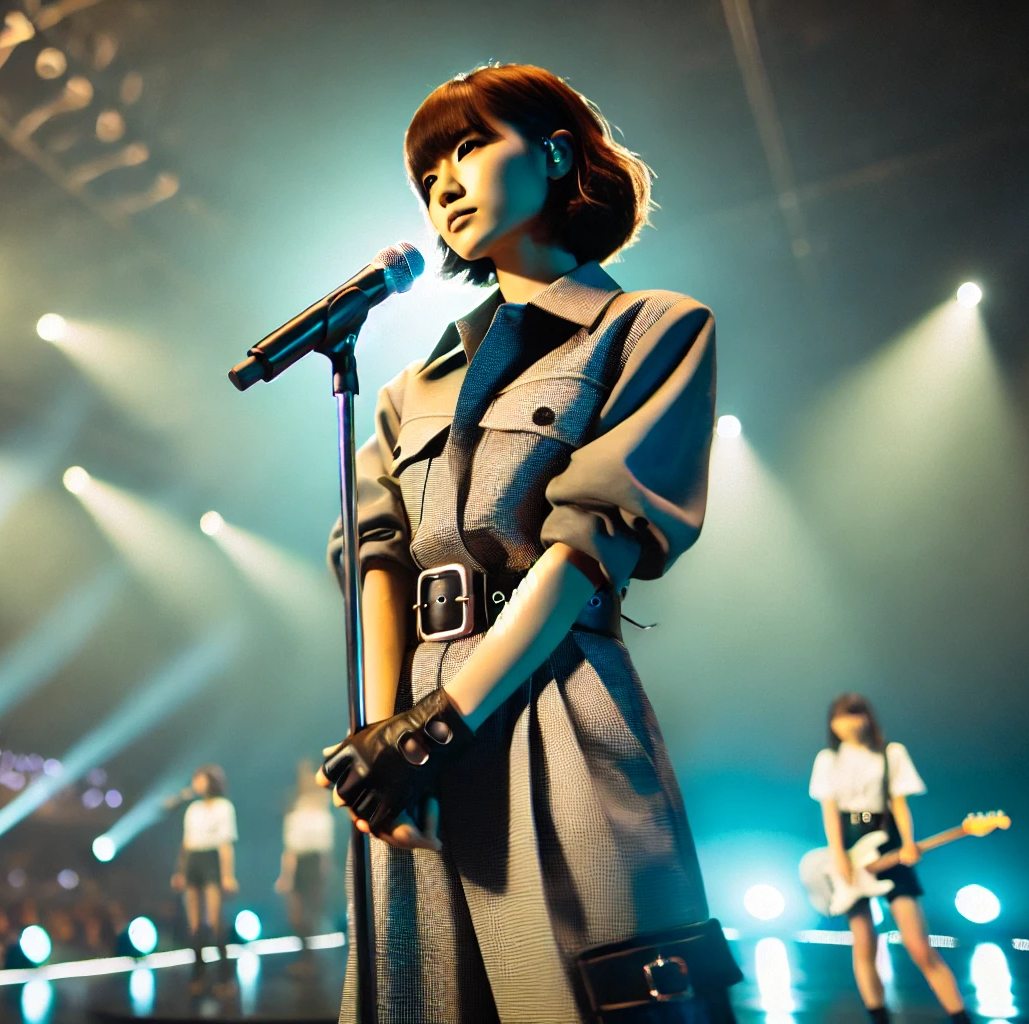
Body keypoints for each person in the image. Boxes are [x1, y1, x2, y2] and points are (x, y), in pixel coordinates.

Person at [316, 63, 731, 1022]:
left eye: (469, 147)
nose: (444, 185)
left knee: (584, 996)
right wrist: (386, 736)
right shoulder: (403, 391)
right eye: (427, 175)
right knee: (415, 998)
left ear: (554, 155)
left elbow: (591, 544)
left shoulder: (652, 328)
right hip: (412, 738)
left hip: (551, 699)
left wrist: (442, 723)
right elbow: (377, 558)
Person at [812, 694, 971, 1023]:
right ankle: (879, 1015)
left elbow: (899, 803)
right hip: (849, 843)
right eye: (840, 717)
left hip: (887, 840)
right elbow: (829, 811)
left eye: (855, 715)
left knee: (917, 944)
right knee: (864, 941)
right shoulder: (828, 759)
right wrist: (839, 856)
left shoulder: (890, 753)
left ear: (867, 718)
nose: (848, 723)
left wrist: (909, 842)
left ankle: (959, 1016)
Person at [171, 764, 237, 992]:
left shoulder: (223, 807)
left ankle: (225, 976)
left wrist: (228, 875)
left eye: (200, 779)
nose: (196, 784)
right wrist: (180, 872)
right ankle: (197, 973)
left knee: (215, 920)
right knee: (194, 923)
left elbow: (225, 844)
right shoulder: (193, 809)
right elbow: (186, 843)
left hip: (211, 861)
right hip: (193, 861)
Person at [277, 761, 336, 942]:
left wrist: (325, 870)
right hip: (299, 860)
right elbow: (290, 849)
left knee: (314, 909)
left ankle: (312, 957)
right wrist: (286, 876)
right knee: (296, 913)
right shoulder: (295, 809)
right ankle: (305, 950)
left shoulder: (321, 809)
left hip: (315, 860)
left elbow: (325, 846)